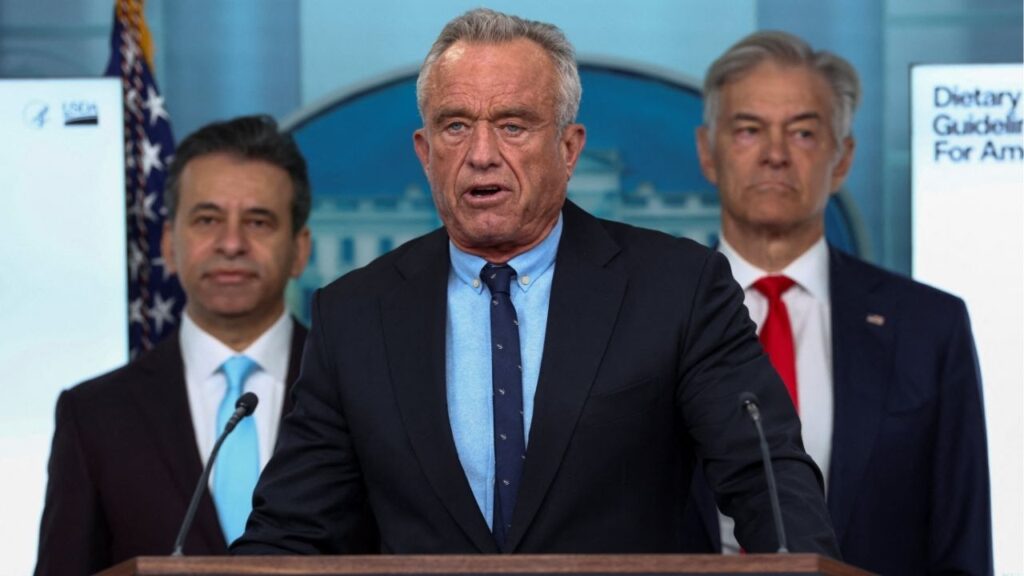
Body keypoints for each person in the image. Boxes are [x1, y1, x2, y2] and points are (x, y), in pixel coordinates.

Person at [233, 9, 838, 556]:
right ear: (424, 152)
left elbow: (767, 479)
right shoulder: (356, 314)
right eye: (455, 127)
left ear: (569, 149)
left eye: (514, 125)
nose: (481, 154)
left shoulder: (677, 288)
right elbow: (293, 530)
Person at [683, 31, 993, 575]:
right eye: (749, 130)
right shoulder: (647, 315)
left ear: (843, 157)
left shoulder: (928, 327)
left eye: (803, 132)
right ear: (708, 152)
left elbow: (960, 538)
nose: (775, 154)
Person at [35, 115, 316, 575]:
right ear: (169, 244)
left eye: (258, 221)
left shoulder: (363, 393)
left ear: (299, 249)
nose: (231, 243)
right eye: (207, 219)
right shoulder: (94, 414)